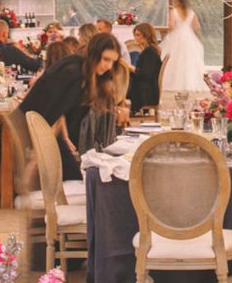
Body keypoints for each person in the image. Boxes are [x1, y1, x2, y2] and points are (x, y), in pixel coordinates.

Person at [20, 33, 124, 177]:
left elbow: (60, 109)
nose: (109, 66)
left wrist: (65, 136)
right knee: (80, 177)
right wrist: (34, 160)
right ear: (94, 54)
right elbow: (51, 114)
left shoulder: (78, 65)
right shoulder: (75, 73)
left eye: (113, 61)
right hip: (36, 131)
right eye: (106, 59)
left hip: (46, 131)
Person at [160, 0, 206, 92]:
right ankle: (189, 82)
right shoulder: (191, 12)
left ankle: (173, 82)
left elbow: (171, 26)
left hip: (177, 36)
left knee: (173, 59)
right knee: (190, 60)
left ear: (177, 2)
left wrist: (169, 32)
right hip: (189, 37)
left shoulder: (174, 11)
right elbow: (196, 26)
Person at [129, 23, 162, 114]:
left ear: (147, 35)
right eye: (135, 35)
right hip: (146, 89)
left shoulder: (150, 51)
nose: (136, 37)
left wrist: (129, 66)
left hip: (146, 93)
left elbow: (145, 74)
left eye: (138, 35)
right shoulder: (150, 50)